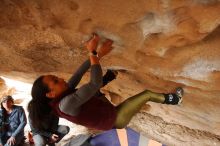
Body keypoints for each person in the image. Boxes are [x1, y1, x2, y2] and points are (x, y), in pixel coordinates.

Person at [28, 33, 184, 131]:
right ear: (50, 93)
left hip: (104, 109)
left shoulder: (61, 96)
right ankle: (176, 100)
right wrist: (92, 53)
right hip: (115, 119)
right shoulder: (65, 105)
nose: (61, 79)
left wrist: (98, 54)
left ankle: (111, 75)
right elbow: (94, 83)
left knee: (89, 91)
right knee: (147, 94)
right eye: (55, 81)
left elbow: (79, 72)